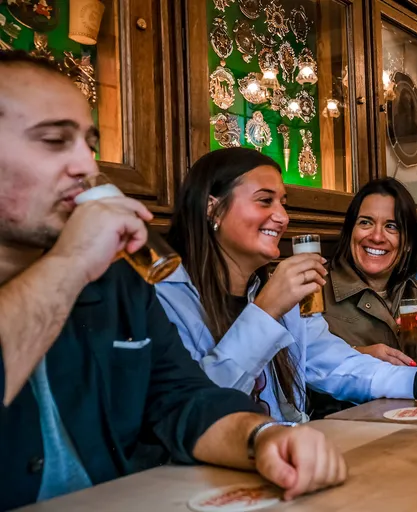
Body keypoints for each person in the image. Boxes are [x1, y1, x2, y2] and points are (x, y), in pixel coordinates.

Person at [0, 51, 345, 510]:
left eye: (89, 142)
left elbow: (182, 399)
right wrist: (73, 260)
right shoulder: (92, 264)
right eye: (53, 140)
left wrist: (262, 437)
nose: (87, 165)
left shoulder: (118, 280)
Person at [155, 148, 417, 425]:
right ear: (212, 207)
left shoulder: (274, 289)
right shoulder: (165, 296)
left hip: (289, 460)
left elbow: (338, 364)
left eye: (283, 203)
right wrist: (267, 309)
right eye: (265, 201)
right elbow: (194, 409)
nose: (282, 216)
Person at [324, 178, 417, 370]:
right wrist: (360, 356)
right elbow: (298, 373)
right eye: (366, 222)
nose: (377, 237)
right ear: (350, 231)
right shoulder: (316, 291)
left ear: (408, 243)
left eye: (391, 226)